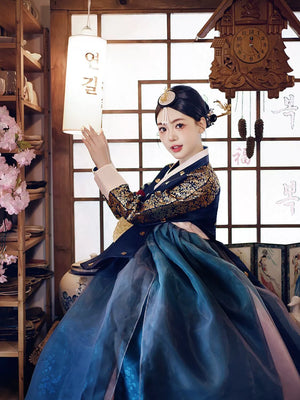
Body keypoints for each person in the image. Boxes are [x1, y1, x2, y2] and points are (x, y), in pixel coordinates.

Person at [26, 85, 300, 400]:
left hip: (187, 269)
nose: (170, 136)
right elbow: (135, 209)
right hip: (157, 259)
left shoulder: (203, 180)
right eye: (162, 128)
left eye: (179, 125)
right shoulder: (172, 170)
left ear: (201, 123)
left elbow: (134, 210)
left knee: (174, 345)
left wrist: (104, 163)